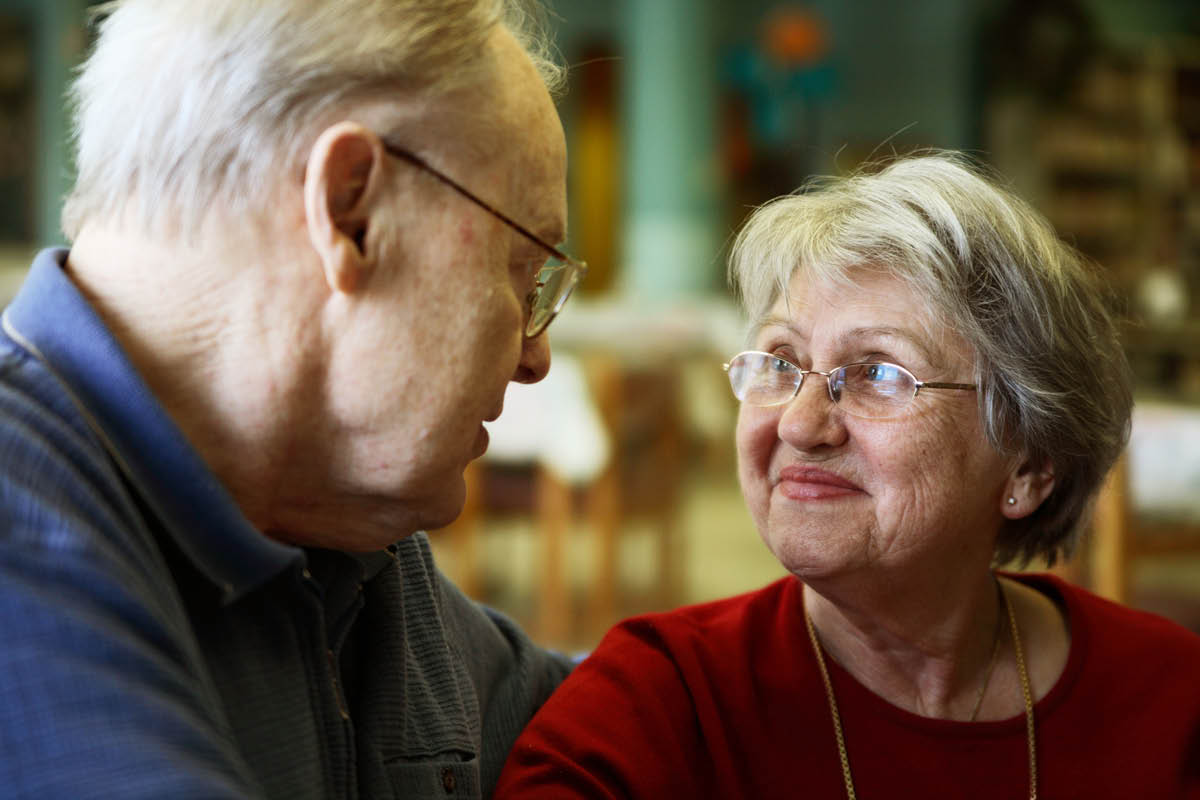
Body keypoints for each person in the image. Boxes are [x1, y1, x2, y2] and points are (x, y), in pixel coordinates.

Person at [0, 1, 587, 797]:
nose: (535, 357)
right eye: (526, 273)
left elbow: (601, 718)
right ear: (352, 212)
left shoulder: (337, 525)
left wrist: (806, 626)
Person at [494, 152, 1200, 799]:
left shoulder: (1171, 702)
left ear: (1030, 463)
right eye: (778, 362)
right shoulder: (662, 700)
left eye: (878, 374)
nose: (799, 425)